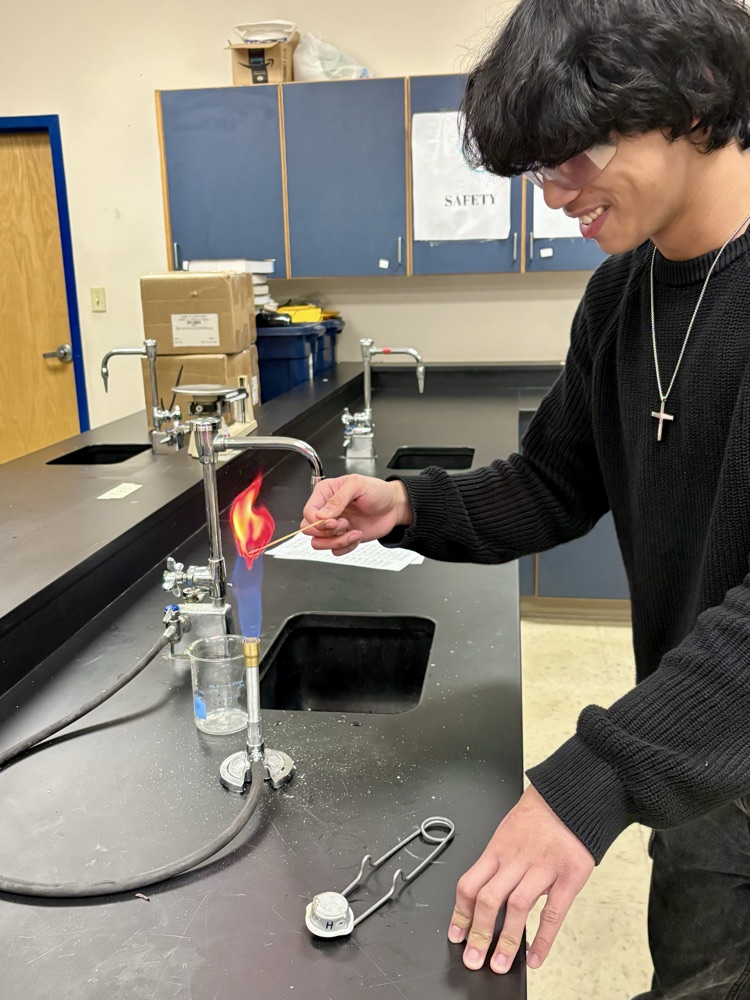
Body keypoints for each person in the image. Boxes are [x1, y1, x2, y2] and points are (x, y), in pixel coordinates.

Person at [302, 1, 750, 997]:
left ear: (688, 102)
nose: (555, 199)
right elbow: (556, 478)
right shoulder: (621, 295)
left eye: (572, 162)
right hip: (702, 769)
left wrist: (596, 776)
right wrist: (409, 507)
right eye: (537, 173)